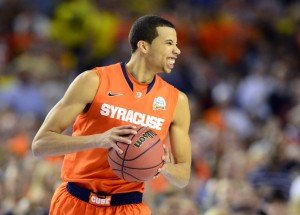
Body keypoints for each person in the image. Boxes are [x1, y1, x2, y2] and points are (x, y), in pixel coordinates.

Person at [32, 15, 191, 215]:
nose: (177, 50)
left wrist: (164, 168)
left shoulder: (177, 101)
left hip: (128, 206)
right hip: (75, 201)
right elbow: (40, 144)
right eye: (169, 43)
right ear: (144, 46)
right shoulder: (93, 81)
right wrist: (99, 140)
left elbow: (183, 176)